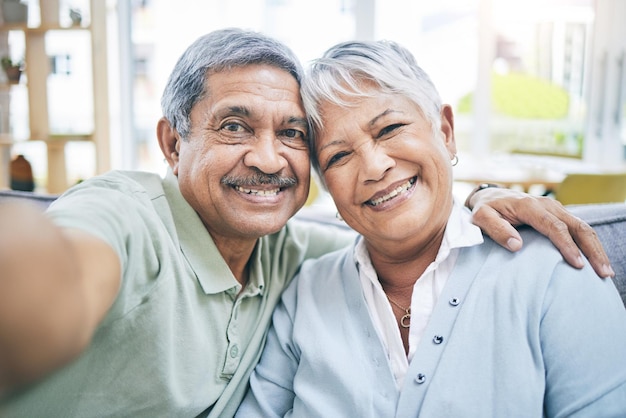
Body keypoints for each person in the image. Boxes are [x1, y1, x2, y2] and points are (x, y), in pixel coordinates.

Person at [0, 29, 614, 418]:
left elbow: (399, 219)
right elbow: (68, 266)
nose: (268, 159)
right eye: (235, 126)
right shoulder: (129, 217)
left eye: (291, 135)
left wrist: (478, 192)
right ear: (171, 142)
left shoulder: (294, 258)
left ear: (445, 130)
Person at [236, 39, 626, 417]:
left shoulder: (553, 269)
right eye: (339, 156)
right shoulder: (304, 294)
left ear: (445, 131)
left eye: (389, 129)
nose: (374, 167)